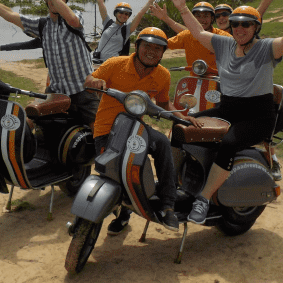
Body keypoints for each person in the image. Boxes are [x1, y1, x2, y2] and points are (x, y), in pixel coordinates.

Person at [170, 0, 283, 224]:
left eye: (246, 24)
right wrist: (182, 8)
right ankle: (172, 183)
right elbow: (197, 33)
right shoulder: (224, 44)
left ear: (256, 27)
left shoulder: (264, 49)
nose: (239, 29)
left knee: (228, 143)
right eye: (235, 23)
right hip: (228, 109)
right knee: (181, 126)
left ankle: (204, 199)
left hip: (257, 116)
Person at [85, 27, 202, 234]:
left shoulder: (162, 75)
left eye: (158, 49)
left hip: (135, 130)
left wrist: (183, 118)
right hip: (106, 130)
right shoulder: (115, 64)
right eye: (147, 46)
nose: (152, 51)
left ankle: (168, 205)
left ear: (163, 52)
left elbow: (164, 104)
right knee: (111, 173)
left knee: (163, 144)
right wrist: (94, 81)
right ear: (137, 46)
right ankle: (122, 214)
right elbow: (89, 81)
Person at [0, 0, 100, 127]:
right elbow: (9, 15)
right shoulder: (42, 25)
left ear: (66, 0)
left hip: (82, 91)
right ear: (45, 1)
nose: (54, 0)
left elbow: (73, 20)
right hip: (56, 92)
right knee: (31, 124)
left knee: (98, 132)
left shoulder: (75, 17)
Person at [92, 0, 163, 62]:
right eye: (121, 12)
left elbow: (140, 14)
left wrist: (151, 0)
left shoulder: (127, 30)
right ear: (116, 13)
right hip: (96, 60)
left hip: (113, 65)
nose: (123, 15)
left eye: (127, 14)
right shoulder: (107, 22)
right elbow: (100, 1)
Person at [150, 0, 232, 67]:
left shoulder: (222, 35)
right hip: (194, 78)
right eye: (198, 16)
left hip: (218, 78)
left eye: (206, 16)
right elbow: (165, 44)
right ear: (192, 18)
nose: (202, 20)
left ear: (212, 18)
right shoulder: (186, 35)